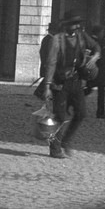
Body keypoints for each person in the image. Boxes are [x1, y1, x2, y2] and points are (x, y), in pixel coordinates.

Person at [42, 12, 100, 159]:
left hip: (76, 82)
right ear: (66, 24)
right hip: (59, 83)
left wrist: (94, 58)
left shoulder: (81, 36)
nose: (77, 26)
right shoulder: (57, 40)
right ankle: (54, 148)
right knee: (60, 116)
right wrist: (47, 86)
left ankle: (66, 141)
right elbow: (51, 63)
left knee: (81, 113)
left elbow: (96, 47)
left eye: (78, 23)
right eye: (74, 23)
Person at [91, 25, 105, 119]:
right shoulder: (95, 42)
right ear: (98, 33)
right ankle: (100, 112)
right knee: (98, 91)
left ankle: (101, 111)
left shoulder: (93, 41)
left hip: (96, 71)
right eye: (102, 32)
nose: (103, 34)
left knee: (90, 90)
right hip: (95, 70)